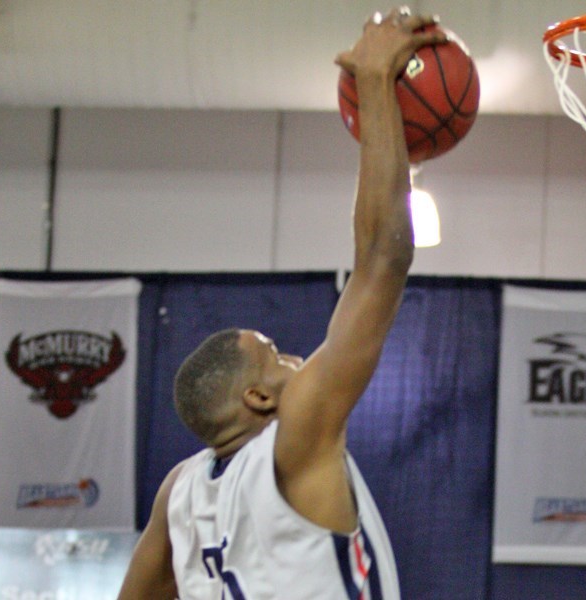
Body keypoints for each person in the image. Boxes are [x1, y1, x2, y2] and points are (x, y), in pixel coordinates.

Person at [117, 8, 446, 599]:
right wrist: (375, 85)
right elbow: (382, 260)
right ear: (259, 397)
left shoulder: (181, 494)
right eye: (278, 357)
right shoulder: (296, 437)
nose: (298, 358)